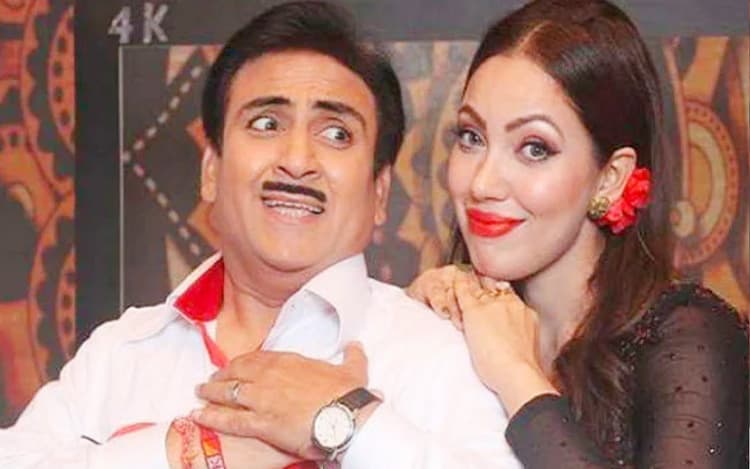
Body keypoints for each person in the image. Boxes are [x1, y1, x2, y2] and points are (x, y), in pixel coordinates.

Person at [0, 2, 525, 469]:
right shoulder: (121, 353)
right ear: (211, 171)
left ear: (380, 192)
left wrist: (346, 425)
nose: (296, 160)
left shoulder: (438, 356)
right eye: (267, 124)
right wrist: (193, 450)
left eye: (336, 133)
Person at [407, 0, 749, 467]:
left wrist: (515, 374)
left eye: (534, 148)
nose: (482, 183)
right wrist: (410, 333)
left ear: (610, 178)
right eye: (472, 137)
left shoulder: (688, 336)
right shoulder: (448, 320)